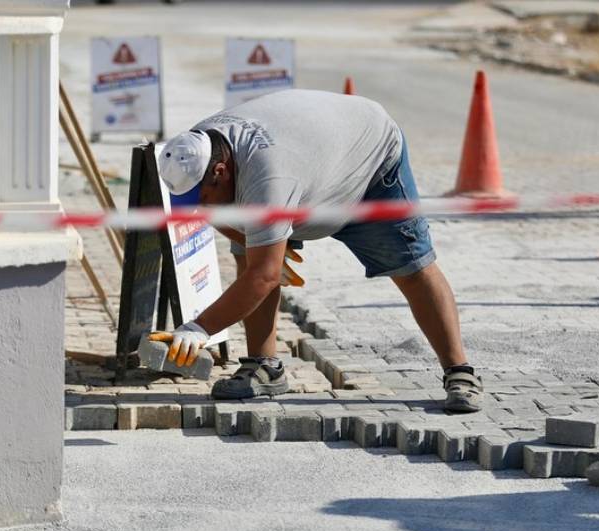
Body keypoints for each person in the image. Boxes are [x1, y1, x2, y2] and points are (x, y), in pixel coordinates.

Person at [156, 89, 483, 413]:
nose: (199, 210)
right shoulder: (199, 145)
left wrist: (199, 329)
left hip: (369, 159)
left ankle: (460, 373)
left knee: (410, 268)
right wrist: (258, 243)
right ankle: (264, 367)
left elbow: (264, 276)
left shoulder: (268, 176)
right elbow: (219, 219)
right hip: (312, 159)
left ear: (219, 172)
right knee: (250, 253)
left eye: (202, 199)